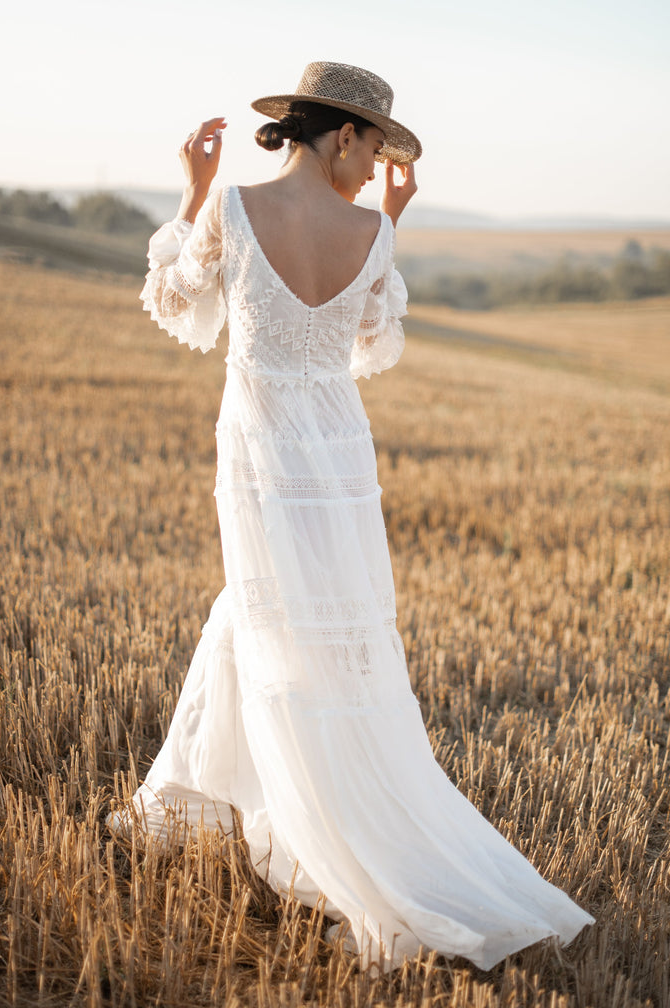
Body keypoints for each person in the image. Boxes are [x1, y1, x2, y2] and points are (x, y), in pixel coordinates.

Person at [109, 62, 593, 971]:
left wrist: (194, 192)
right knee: (307, 634)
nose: (376, 173)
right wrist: (386, 232)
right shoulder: (373, 230)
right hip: (337, 454)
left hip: (262, 452)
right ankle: (199, 801)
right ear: (340, 134)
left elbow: (178, 303)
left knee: (271, 623)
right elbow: (372, 342)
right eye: (374, 149)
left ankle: (279, 827)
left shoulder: (239, 210)